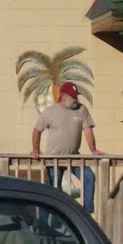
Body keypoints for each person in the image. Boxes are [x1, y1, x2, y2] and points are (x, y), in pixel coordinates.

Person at [30, 81, 103, 212]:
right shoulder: (50, 112)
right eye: (73, 96)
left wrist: (93, 150)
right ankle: (50, 218)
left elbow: (88, 131)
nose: (76, 99)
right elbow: (37, 131)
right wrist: (36, 149)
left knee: (89, 177)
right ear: (64, 96)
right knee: (54, 189)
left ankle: (87, 210)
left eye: (76, 96)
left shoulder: (81, 110)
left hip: (74, 157)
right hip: (54, 159)